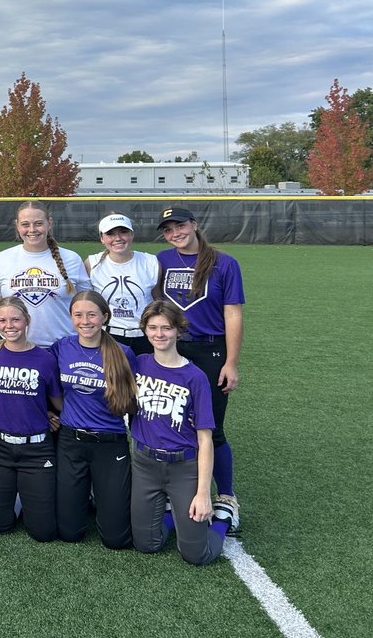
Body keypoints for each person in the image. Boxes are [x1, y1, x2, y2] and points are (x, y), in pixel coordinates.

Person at [155, 205, 245, 536]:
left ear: (194, 225)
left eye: (180, 225)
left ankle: (226, 496)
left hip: (209, 350)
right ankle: (176, 491)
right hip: (171, 349)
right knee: (172, 423)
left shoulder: (223, 263)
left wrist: (231, 362)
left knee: (211, 427)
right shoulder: (161, 261)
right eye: (168, 229)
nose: (175, 233)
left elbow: (233, 314)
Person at [130, 301, 229, 565]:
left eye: (166, 328)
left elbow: (205, 439)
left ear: (178, 330)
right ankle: (171, 517)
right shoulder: (138, 364)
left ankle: (223, 520)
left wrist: (203, 493)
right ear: (145, 330)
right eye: (152, 328)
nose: (159, 334)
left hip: (183, 468)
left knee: (197, 555)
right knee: (145, 544)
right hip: (145, 464)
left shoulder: (195, 377)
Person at [53, 290, 137, 549]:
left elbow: (135, 402)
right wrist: (48, 413)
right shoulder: (62, 347)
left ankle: (98, 493)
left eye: (91, 315)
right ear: (71, 318)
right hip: (71, 442)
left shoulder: (123, 353)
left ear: (105, 317)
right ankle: (86, 495)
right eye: (78, 315)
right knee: (69, 533)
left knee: (116, 539)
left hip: (109, 444)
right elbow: (45, 385)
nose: (85, 321)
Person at [0, 297, 61, 542]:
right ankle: (11, 496)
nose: (9, 326)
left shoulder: (45, 358)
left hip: (36, 449)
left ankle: (24, 493)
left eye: (15, 319)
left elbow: (58, 402)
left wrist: (47, 414)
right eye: (2, 320)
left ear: (27, 320)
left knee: (43, 533)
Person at [0, 199, 90, 348]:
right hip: (16, 349)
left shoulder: (71, 259)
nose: (32, 229)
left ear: (49, 223)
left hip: (63, 348)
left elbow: (87, 303)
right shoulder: (2, 259)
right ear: (17, 225)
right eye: (25, 224)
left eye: (38, 223)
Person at [85, 213, 160, 356]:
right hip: (109, 336)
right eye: (110, 234)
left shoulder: (150, 262)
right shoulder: (92, 264)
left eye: (123, 232)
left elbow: (158, 300)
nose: (118, 238)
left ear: (131, 234)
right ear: (102, 238)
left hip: (146, 337)